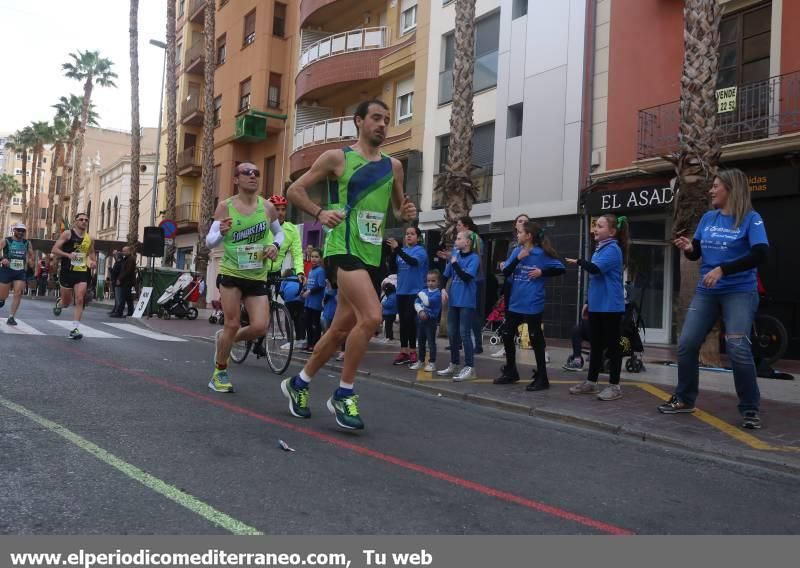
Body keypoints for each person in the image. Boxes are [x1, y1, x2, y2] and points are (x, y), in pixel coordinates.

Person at [281, 99, 417, 430]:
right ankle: (344, 393)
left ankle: (299, 382)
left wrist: (405, 214)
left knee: (341, 328)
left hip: (371, 254)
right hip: (341, 248)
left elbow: (398, 209)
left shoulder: (394, 166)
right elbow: (294, 190)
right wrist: (319, 212)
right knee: (371, 317)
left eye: (387, 119)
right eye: (376, 118)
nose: (383, 124)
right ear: (358, 121)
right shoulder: (337, 158)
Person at [660, 169, 768, 430]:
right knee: (686, 344)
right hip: (708, 291)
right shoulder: (708, 218)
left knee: (737, 348)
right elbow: (697, 252)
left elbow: (760, 254)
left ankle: (750, 408)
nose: (711, 190)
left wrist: (724, 269)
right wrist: (689, 248)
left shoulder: (751, 219)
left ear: (731, 189)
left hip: (739, 290)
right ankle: (685, 399)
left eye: (716, 186)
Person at [205, 162, 283, 393]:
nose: (253, 176)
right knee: (233, 322)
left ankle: (225, 340)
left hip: (257, 274)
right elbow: (209, 241)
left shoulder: (267, 207)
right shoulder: (225, 207)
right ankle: (219, 372)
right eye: (247, 173)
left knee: (260, 326)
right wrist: (220, 233)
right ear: (236, 179)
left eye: (257, 173)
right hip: (231, 272)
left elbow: (278, 233)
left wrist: (275, 246)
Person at [494, 221, 565, 390]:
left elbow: (560, 268)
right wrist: (517, 259)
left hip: (532, 302)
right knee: (507, 333)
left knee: (535, 338)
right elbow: (505, 272)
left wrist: (542, 272)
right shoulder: (517, 251)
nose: (517, 235)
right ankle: (511, 371)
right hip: (516, 302)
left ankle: (542, 377)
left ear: (528, 236)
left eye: (519, 233)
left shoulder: (541, 254)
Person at [566, 214, 629, 401]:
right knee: (596, 345)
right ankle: (591, 382)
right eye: (595, 225)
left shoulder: (613, 249)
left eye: (600, 226)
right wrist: (588, 301)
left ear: (612, 231)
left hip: (610, 306)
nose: (595, 229)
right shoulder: (599, 249)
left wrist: (578, 262)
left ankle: (614, 386)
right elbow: (595, 279)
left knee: (612, 346)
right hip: (597, 304)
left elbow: (595, 269)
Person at [437, 230, 481, 381]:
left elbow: (466, 276)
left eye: (459, 238)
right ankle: (454, 364)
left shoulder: (474, 258)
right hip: (453, 301)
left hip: (466, 302)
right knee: (452, 334)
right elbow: (444, 276)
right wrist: (442, 289)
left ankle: (470, 367)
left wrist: (454, 262)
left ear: (468, 242)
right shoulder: (455, 255)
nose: (456, 240)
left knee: (464, 334)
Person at [52, 213, 97, 339]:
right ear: (75, 221)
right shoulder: (68, 234)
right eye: (81, 219)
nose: (84, 222)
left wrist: (93, 261)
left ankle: (75, 329)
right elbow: (54, 249)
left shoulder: (90, 239)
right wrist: (67, 255)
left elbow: (92, 252)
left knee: (80, 299)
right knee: (66, 303)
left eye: (86, 220)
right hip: (67, 271)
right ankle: (59, 303)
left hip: (82, 271)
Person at [387, 226, 428, 365]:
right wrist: (393, 252)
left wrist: (398, 249)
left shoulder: (420, 251)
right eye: (407, 234)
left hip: (415, 291)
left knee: (410, 319)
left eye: (412, 234)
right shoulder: (401, 251)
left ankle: (413, 351)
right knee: (403, 322)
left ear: (418, 237)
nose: (409, 236)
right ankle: (403, 351)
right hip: (401, 291)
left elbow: (412, 262)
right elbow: (392, 269)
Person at [491, 214, 530, 358]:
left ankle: (539, 348)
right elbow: (510, 262)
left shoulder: (533, 244)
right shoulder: (513, 243)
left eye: (526, 222)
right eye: (520, 221)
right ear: (515, 225)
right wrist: (504, 264)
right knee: (508, 315)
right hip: (510, 283)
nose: (522, 223)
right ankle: (507, 346)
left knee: (529, 317)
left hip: (524, 284)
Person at [0, 223, 35, 325]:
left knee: (18, 293)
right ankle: (1, 299)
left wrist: (30, 262)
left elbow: (31, 255)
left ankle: (11, 317)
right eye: (18, 230)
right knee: (2, 296)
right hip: (7, 270)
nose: (20, 232)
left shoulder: (27, 243)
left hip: (20, 271)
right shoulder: (6, 240)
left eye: (23, 231)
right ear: (14, 230)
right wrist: (2, 259)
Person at [410, 269, 443, 372]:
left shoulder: (437, 294)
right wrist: (420, 311)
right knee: (420, 341)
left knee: (431, 342)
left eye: (433, 281)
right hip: (421, 320)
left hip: (431, 322)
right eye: (428, 281)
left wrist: (419, 293)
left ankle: (432, 363)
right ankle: (421, 361)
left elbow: (427, 302)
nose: (430, 283)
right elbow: (416, 303)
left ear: (438, 282)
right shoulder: (424, 291)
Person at [301, 248, 325, 352]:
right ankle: (309, 343)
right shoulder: (311, 270)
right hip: (308, 302)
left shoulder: (321, 271)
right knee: (307, 323)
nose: (314, 259)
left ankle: (316, 344)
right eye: (312, 256)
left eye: (316, 257)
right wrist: (304, 290)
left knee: (315, 324)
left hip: (316, 303)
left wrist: (309, 291)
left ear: (320, 258)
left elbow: (320, 286)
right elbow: (310, 284)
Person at [110, 245, 137, 317]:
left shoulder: (131, 259)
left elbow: (127, 271)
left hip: (127, 282)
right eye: (123, 251)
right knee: (127, 298)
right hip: (126, 281)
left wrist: (120, 279)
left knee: (123, 298)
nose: (123, 252)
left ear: (129, 251)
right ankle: (129, 312)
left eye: (124, 251)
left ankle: (120, 312)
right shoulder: (126, 259)